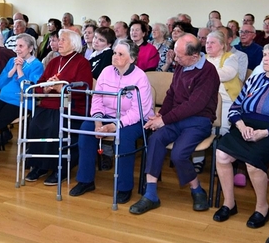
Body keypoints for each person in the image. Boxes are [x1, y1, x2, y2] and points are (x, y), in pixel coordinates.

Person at [213, 42, 269, 228]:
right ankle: (229, 203)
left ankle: (262, 207)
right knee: (221, 154)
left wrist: (264, 133)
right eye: (264, 54)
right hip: (244, 127)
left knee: (252, 162)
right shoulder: (254, 80)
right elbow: (236, 107)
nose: (265, 58)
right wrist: (240, 124)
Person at [129, 34, 220, 215]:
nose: (175, 59)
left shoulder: (208, 72)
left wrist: (164, 119)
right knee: (155, 140)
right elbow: (171, 95)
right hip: (176, 118)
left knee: (179, 154)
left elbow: (195, 105)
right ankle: (151, 194)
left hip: (198, 121)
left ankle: (197, 189)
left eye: (179, 56)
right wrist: (160, 115)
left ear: (194, 56)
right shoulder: (181, 66)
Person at [69, 39, 154, 203]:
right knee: (87, 130)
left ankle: (124, 187)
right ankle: (85, 181)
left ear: (132, 59)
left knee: (124, 137)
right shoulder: (106, 71)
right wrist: (98, 121)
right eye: (115, 53)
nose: (115, 57)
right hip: (107, 115)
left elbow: (138, 111)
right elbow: (97, 98)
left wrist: (115, 125)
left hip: (133, 120)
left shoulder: (140, 77)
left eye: (120, 54)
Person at [24, 29, 94, 186]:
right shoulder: (54, 62)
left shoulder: (82, 62)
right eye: (58, 40)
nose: (59, 42)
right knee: (35, 124)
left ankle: (59, 168)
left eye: (63, 40)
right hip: (49, 104)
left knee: (55, 125)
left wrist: (61, 88)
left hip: (71, 106)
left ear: (74, 44)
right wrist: (47, 88)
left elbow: (84, 89)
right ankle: (39, 165)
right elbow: (39, 85)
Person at [0, 34, 44, 172]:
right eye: (16, 46)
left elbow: (29, 89)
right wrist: (11, 70)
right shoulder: (12, 61)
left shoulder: (37, 65)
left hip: (21, 102)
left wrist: (20, 70)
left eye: (21, 46)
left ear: (30, 48)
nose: (17, 49)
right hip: (3, 98)